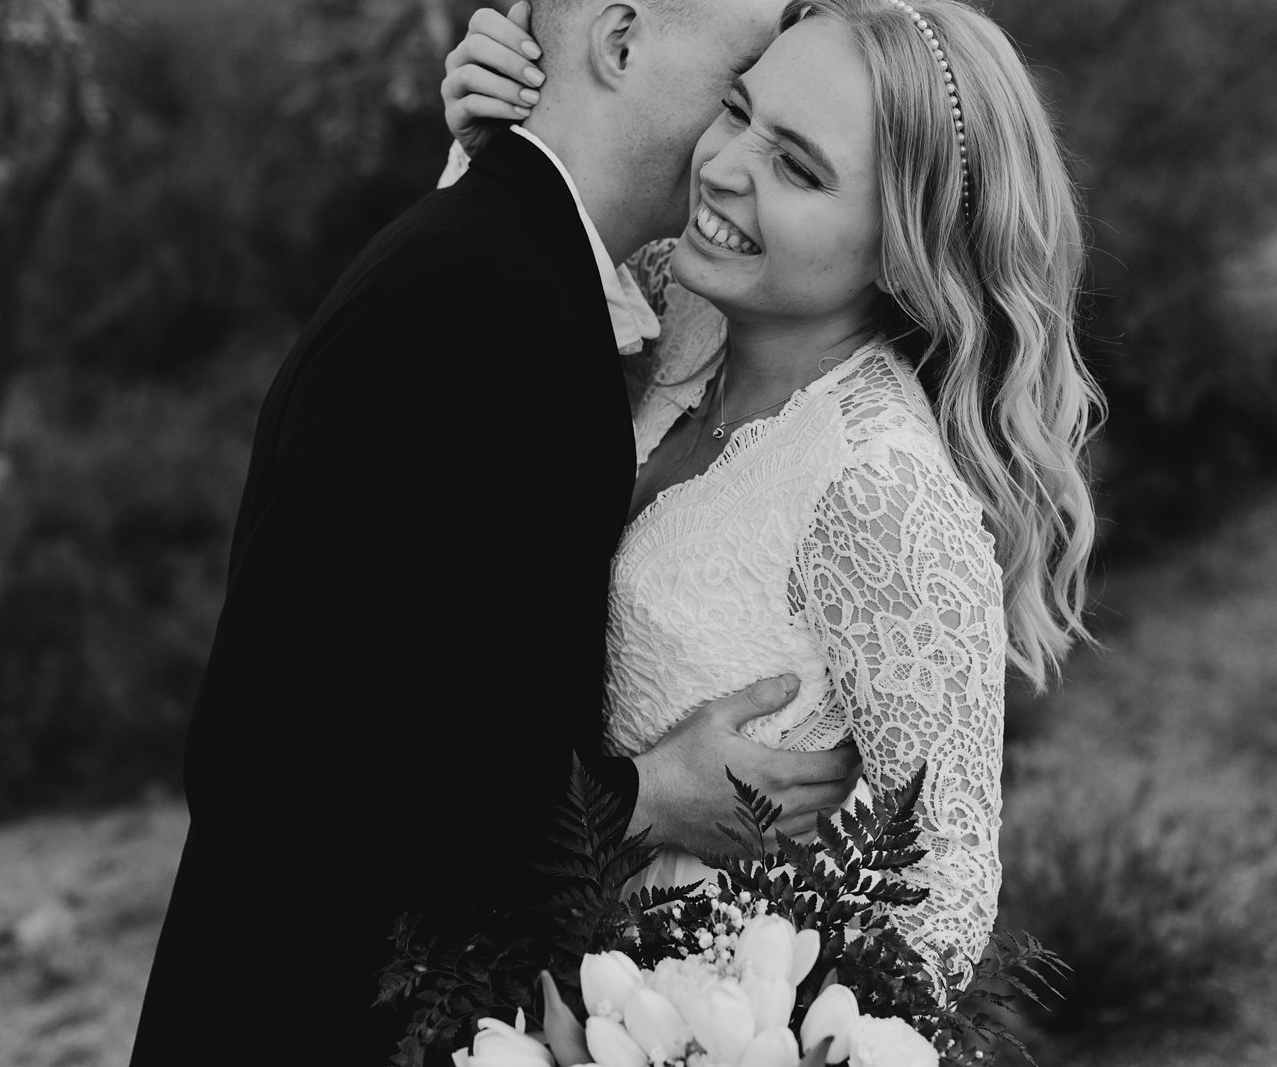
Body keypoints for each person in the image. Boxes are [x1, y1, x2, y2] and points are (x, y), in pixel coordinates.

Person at [128, 1, 865, 1063]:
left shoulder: (532, 270)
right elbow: (277, 759)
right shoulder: (475, 295)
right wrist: (640, 800)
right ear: (618, 43)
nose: (750, 131)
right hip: (306, 1018)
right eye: (744, 80)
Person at [443, 0, 1101, 988]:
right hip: (521, 967)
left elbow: (946, 891)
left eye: (795, 166)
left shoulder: (878, 487)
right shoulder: (665, 302)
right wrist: (494, 146)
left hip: (695, 1018)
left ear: (899, 242)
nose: (722, 165)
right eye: (737, 107)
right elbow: (461, 380)